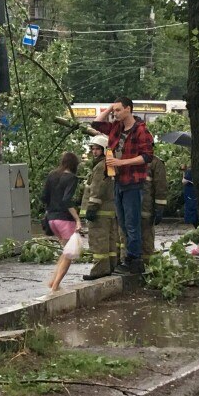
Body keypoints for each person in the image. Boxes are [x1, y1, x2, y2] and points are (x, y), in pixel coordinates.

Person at [92, 98, 155, 275]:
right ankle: (128, 257)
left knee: (132, 222)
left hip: (133, 182)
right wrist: (110, 107)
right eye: (114, 110)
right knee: (123, 223)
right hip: (117, 181)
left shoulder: (140, 130)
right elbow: (96, 123)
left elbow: (147, 156)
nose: (115, 113)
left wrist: (121, 162)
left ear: (128, 109)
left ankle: (134, 260)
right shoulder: (116, 127)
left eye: (119, 110)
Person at [81, 135, 119, 281]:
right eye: (93, 149)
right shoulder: (110, 164)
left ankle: (99, 269)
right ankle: (111, 266)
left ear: (104, 150)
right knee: (110, 239)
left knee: (98, 240)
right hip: (109, 210)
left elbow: (97, 188)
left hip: (99, 211)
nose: (94, 152)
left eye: (97, 149)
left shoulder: (100, 166)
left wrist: (92, 207)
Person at [43, 151, 82, 291]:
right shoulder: (71, 178)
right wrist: (77, 219)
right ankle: (55, 285)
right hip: (64, 220)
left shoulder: (52, 175)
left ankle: (52, 281)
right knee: (69, 255)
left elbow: (44, 197)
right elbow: (67, 200)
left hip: (52, 220)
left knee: (65, 251)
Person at [141, 152, 169, 254]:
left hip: (146, 207)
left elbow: (161, 186)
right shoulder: (129, 158)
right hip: (130, 206)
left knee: (146, 236)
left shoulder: (155, 162)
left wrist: (159, 207)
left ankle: (146, 263)